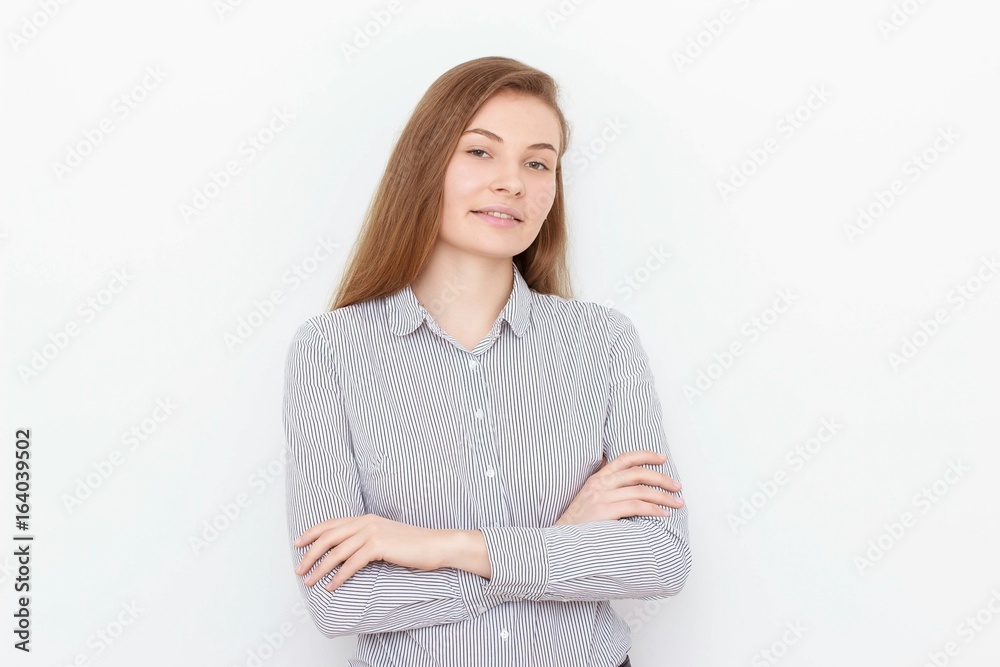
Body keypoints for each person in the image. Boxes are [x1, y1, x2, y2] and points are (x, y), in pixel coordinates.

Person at [283, 55, 691, 667]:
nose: (513, 183)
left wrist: (440, 547)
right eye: (481, 152)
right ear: (426, 167)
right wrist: (560, 546)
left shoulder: (602, 342)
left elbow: (660, 558)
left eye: (537, 162)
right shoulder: (330, 351)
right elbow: (341, 602)